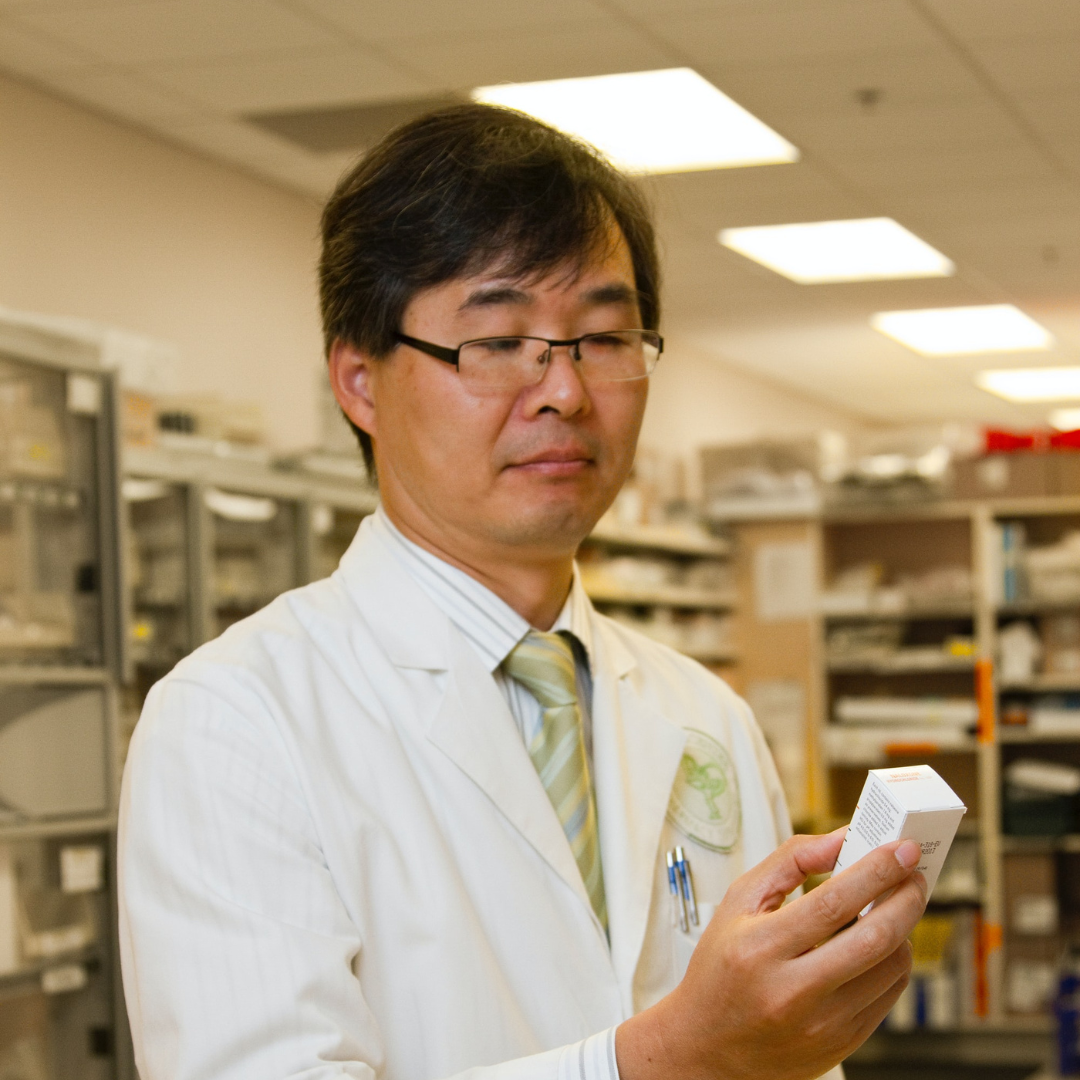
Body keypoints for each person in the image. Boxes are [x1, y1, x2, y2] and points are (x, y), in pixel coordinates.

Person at [118, 104, 926, 1080]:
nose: (564, 392)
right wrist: (663, 1058)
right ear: (360, 380)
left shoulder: (702, 712)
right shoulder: (235, 724)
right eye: (499, 339)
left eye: (604, 336)